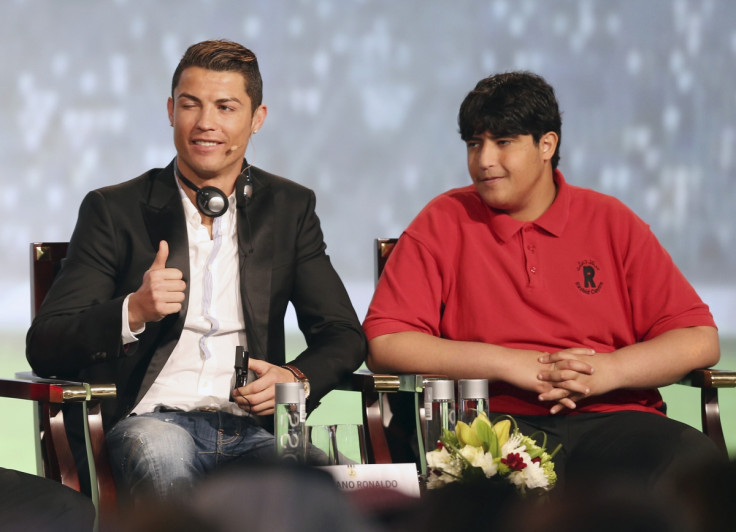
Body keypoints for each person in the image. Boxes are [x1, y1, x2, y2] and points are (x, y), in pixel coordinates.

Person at [26, 40, 366, 502]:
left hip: (257, 431)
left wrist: (296, 379)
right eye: (191, 105)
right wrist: (134, 310)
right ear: (170, 110)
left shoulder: (289, 208)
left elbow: (343, 334)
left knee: (350, 495)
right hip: (154, 424)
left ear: (257, 118)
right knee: (164, 462)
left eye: (226, 107)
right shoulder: (114, 209)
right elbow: (46, 342)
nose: (206, 123)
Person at [363, 71, 724, 488]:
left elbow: (698, 338)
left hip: (616, 420)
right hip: (492, 426)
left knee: (697, 469)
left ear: (546, 145)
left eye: (503, 142)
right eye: (474, 144)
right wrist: (510, 363)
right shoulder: (443, 221)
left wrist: (609, 370)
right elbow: (387, 342)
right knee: (482, 487)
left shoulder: (612, 221)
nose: (484, 161)